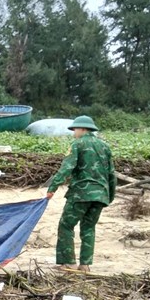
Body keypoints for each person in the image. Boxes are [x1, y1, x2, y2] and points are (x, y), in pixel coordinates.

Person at [46, 115, 116, 271]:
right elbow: (111, 174)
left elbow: (66, 168)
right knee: (89, 228)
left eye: (75, 129)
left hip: (81, 194)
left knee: (66, 225)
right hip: (101, 195)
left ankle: (69, 263)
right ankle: (85, 265)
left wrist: (52, 188)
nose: (73, 133)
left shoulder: (77, 144)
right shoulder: (105, 146)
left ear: (83, 129)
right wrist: (109, 196)